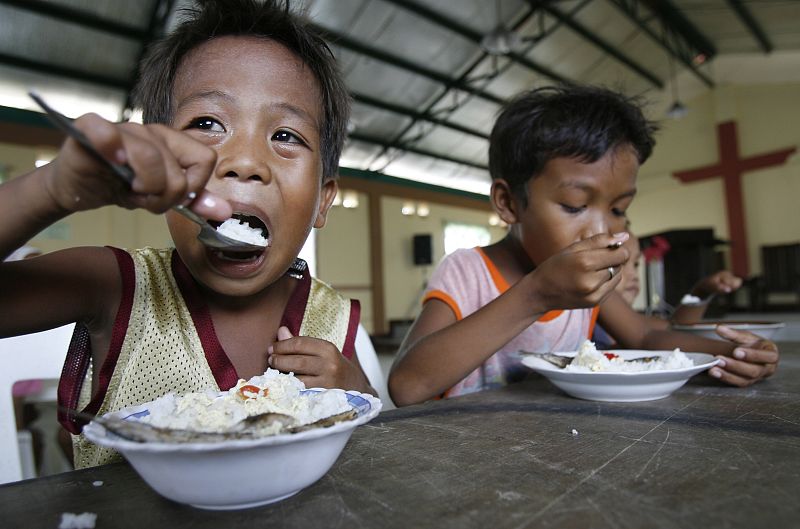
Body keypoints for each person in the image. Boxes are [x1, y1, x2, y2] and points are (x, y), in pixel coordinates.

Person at [0, 0, 374, 468]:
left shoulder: (333, 318)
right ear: (159, 156)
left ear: (322, 200)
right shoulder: (116, 286)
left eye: (285, 135)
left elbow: (374, 427)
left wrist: (354, 390)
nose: (245, 162)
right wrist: (50, 190)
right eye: (206, 124)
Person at [388, 85, 779, 406]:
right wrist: (537, 293)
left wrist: (731, 355)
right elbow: (407, 386)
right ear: (509, 203)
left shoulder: (590, 286)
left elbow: (644, 338)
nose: (601, 231)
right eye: (575, 206)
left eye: (618, 209)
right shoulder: (467, 272)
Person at [593, 232, 744, 348]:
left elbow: (675, 328)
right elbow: (648, 338)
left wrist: (702, 291)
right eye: (620, 262)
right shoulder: (589, 311)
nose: (634, 275)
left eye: (636, 264)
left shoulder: (633, 322)